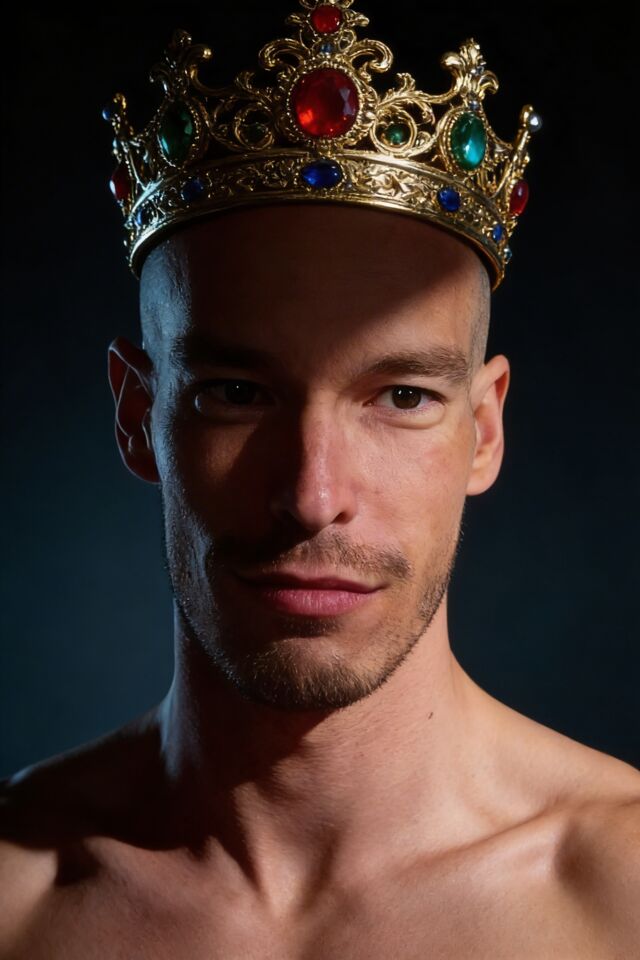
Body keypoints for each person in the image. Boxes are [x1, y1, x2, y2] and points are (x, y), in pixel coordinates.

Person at [2, 5, 639, 957]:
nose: (312, 495)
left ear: (484, 430)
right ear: (138, 415)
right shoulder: (15, 898)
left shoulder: (624, 893)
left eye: (403, 396)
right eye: (236, 393)